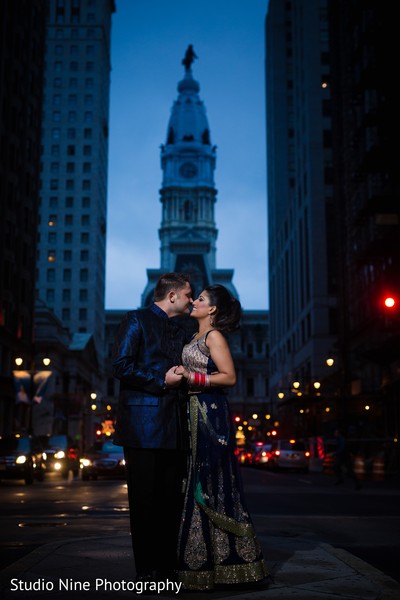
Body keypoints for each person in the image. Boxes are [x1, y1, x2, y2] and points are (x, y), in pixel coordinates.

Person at [169, 284, 268, 591]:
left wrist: (191, 377)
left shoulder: (214, 336)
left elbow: (229, 376)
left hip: (210, 415)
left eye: (200, 299)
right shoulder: (194, 336)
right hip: (193, 411)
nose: (194, 302)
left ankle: (235, 563)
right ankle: (202, 565)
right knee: (193, 482)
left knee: (212, 482)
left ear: (211, 309)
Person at [112, 272, 193, 583]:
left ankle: (168, 568)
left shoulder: (179, 329)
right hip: (143, 429)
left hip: (174, 429)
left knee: (171, 503)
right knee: (144, 504)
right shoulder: (136, 319)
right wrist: (162, 380)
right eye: (188, 294)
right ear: (172, 296)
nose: (190, 300)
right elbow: (121, 366)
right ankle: (148, 573)